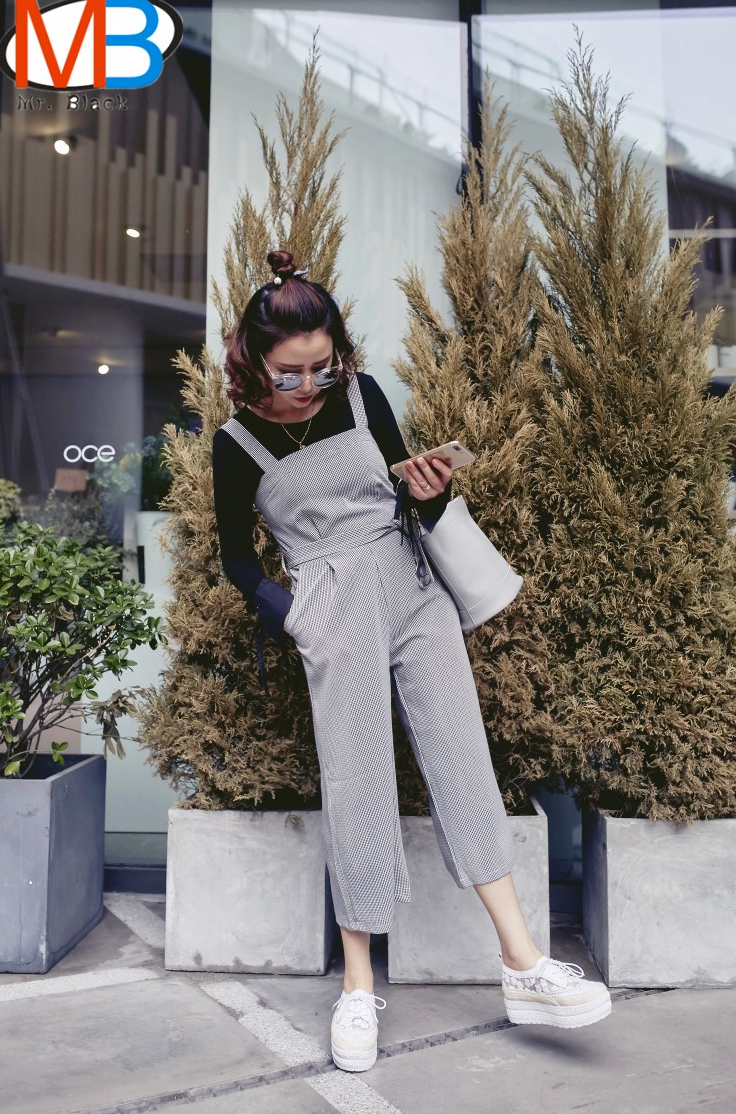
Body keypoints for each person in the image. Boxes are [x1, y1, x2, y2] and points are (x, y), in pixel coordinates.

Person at [212, 250, 611, 1074]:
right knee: (355, 779)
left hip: (412, 583)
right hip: (333, 606)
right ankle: (357, 984)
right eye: (291, 372)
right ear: (255, 361)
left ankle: (522, 960)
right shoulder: (238, 441)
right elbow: (238, 561)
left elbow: (406, 499)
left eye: (323, 365)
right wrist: (300, 617)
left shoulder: (362, 395)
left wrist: (430, 489)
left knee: (463, 756)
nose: (310, 383)